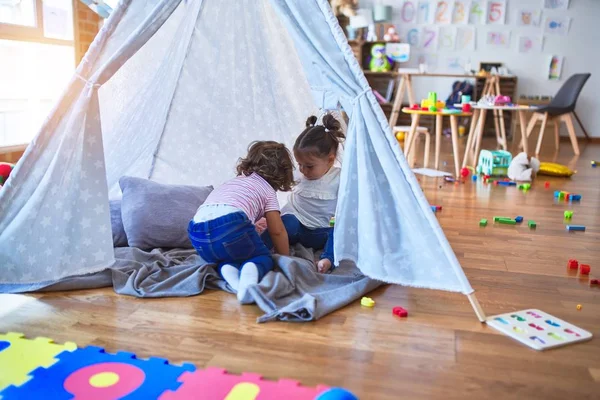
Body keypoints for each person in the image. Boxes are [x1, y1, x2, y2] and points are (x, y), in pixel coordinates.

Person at [188, 141, 294, 303]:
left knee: (229, 257)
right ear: (283, 172)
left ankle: (232, 279)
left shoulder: (233, 182)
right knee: (262, 258)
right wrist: (285, 260)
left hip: (197, 232)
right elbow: (277, 231)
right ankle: (248, 281)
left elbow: (233, 204)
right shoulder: (267, 190)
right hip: (231, 223)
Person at [261, 114, 345, 273]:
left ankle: (327, 259)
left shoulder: (339, 178)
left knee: (338, 233)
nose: (303, 170)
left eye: (309, 166)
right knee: (283, 222)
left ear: (330, 159)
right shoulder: (300, 173)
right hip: (295, 224)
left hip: (318, 231)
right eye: (299, 164)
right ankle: (259, 248)